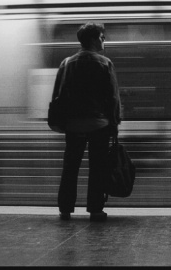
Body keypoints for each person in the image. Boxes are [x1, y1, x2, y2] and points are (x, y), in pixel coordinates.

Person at [52, 22, 121, 222]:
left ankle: (65, 209)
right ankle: (95, 210)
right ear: (92, 39)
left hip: (73, 125)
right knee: (97, 167)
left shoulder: (66, 63)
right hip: (99, 124)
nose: (104, 40)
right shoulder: (104, 63)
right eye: (102, 37)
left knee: (70, 167)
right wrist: (115, 123)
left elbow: (57, 94)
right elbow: (113, 97)